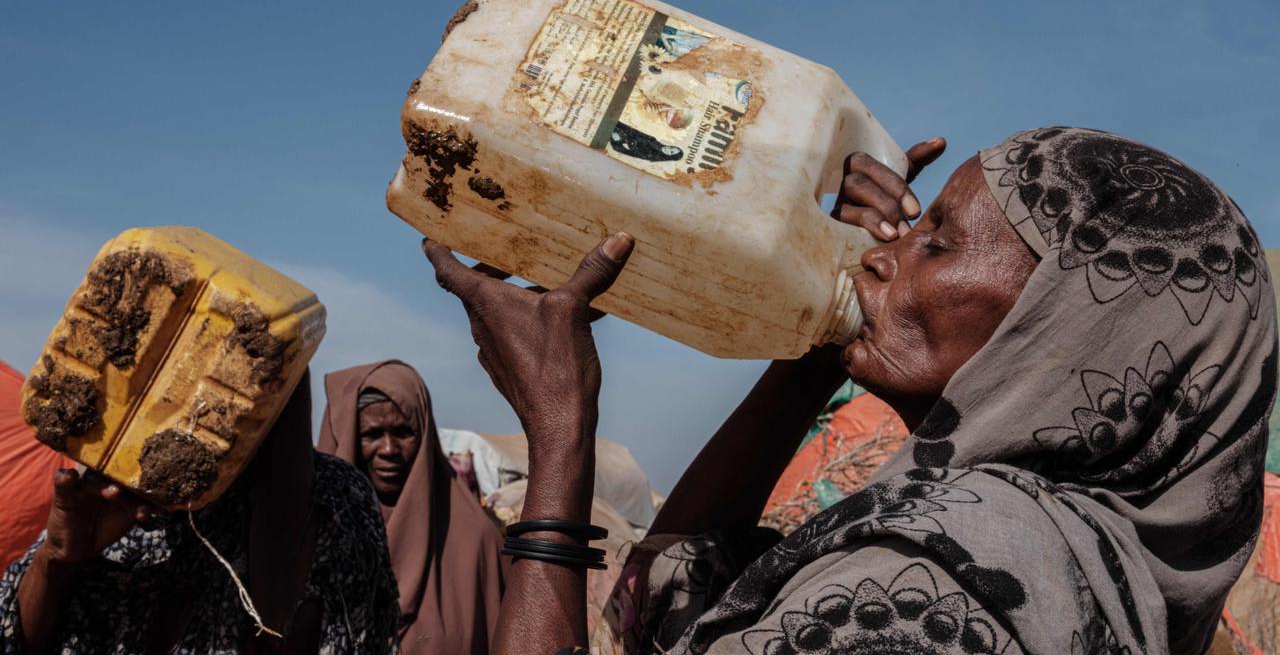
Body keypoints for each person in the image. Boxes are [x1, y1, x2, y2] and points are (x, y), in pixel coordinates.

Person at [422, 127, 1278, 655]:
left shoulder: (932, 589)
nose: (880, 252)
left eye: (936, 244)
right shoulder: (1088, 549)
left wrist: (561, 435)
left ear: (1060, 333)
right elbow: (666, 603)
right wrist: (819, 344)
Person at [0, 371, 400, 654]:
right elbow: (18, 639)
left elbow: (335, 633)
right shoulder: (118, 487)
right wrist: (56, 558)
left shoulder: (332, 497)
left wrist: (283, 500)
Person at [318, 360, 506, 654]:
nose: (389, 449)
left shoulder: (477, 544)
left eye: (403, 432)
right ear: (348, 440)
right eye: (372, 434)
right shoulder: (313, 540)